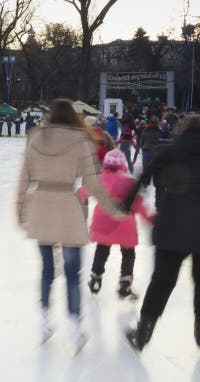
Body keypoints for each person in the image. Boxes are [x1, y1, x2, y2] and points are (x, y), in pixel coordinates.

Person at [16, 98, 124, 353]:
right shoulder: (81, 141)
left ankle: (44, 321)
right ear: (73, 117)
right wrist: (113, 209)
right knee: (72, 273)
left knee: (46, 270)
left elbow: (23, 179)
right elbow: (94, 183)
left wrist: (19, 211)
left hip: (41, 207)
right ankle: (75, 326)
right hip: (67, 205)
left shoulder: (34, 139)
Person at [124, 116, 200, 351]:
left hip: (172, 226)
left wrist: (126, 203)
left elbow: (143, 178)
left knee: (162, 280)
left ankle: (144, 331)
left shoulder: (170, 151)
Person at [78, 149, 154, 299]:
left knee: (102, 249)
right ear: (123, 165)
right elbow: (139, 205)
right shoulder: (129, 181)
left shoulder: (97, 179)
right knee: (128, 254)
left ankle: (96, 277)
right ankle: (125, 284)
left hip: (103, 226)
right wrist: (152, 219)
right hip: (124, 226)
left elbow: (80, 194)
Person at [132, 117, 161, 187]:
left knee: (146, 167)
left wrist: (141, 147)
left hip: (146, 150)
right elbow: (160, 141)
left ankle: (146, 182)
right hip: (155, 151)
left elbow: (142, 141)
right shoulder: (159, 131)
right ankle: (155, 182)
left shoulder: (145, 130)